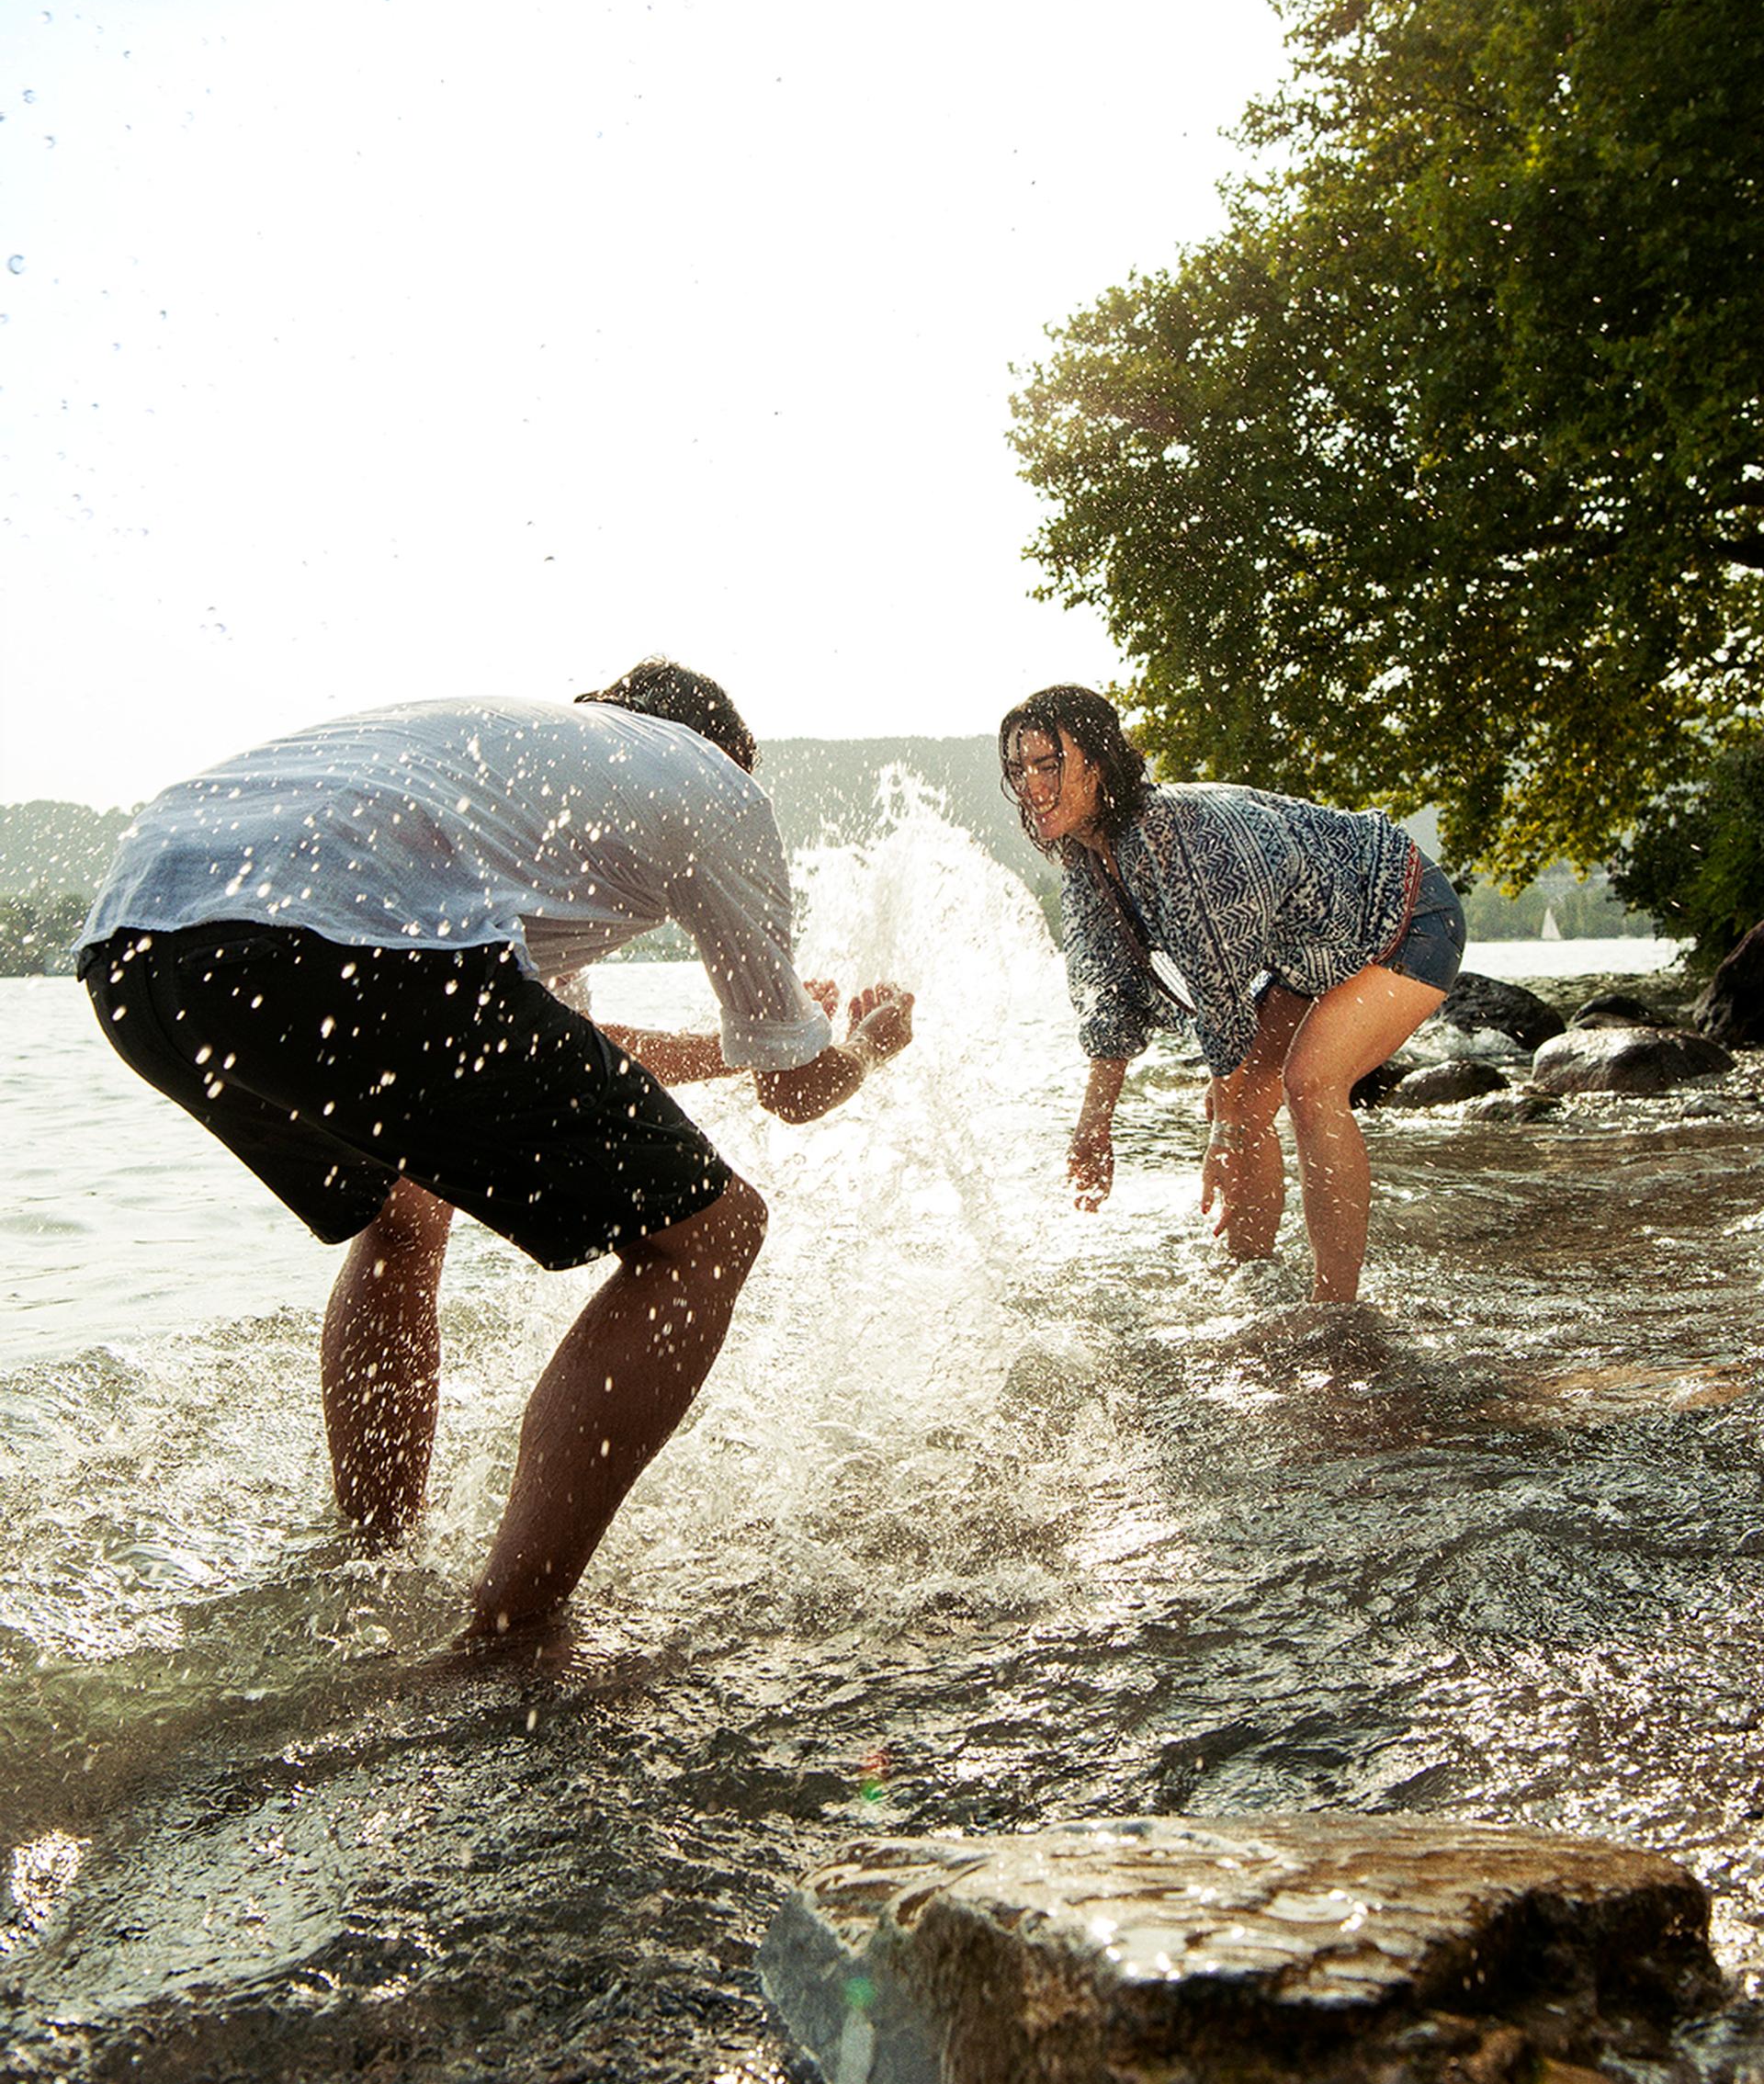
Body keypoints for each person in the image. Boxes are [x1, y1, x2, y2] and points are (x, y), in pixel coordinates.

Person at [77, 662, 914, 1637]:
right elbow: (795, 1088)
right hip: (350, 941)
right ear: (734, 756)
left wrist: (735, 1055)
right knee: (714, 1233)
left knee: (406, 1207)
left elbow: (566, 1054)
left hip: (138, 949)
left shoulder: (517, 775)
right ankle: (507, 1638)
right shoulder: (716, 785)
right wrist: (863, 1042)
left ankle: (372, 1560)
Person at [999, 685, 1464, 1306]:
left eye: (1048, 764)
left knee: (1310, 1083)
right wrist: (1094, 1124)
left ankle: (1337, 1314)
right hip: (1316, 951)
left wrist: (1226, 1135)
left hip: (1406, 909)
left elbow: (1220, 993)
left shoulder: (1179, 841)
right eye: (1020, 768)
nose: (1031, 785)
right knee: (1235, 1109)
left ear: (1098, 762)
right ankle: (1254, 1283)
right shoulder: (1089, 860)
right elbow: (1109, 996)